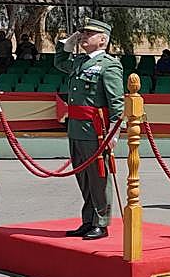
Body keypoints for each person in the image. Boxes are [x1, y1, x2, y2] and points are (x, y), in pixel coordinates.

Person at [54, 18, 125, 240]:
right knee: (83, 177)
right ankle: (88, 220)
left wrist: (114, 132)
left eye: (90, 34)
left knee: (98, 177)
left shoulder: (109, 65)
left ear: (103, 39)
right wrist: (68, 42)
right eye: (83, 33)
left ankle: (101, 223)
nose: (84, 36)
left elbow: (117, 103)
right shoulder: (79, 62)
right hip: (76, 129)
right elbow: (59, 62)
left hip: (96, 130)